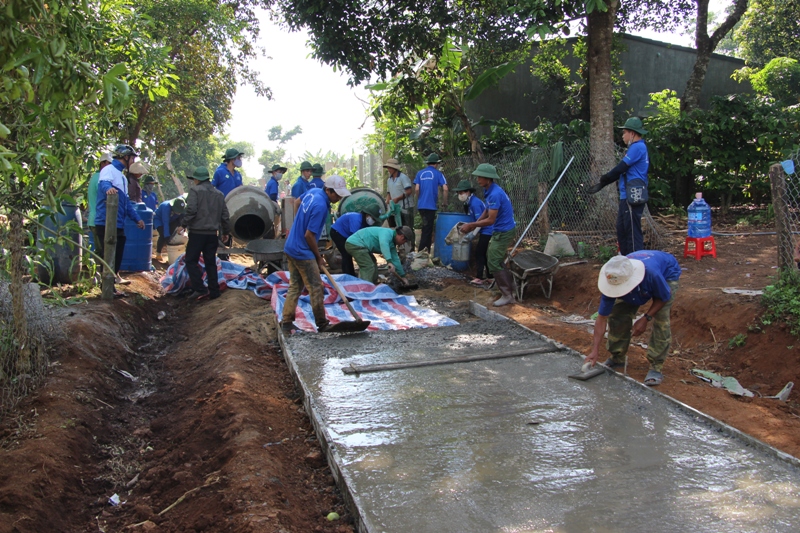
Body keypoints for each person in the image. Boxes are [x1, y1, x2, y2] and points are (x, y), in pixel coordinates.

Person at [584, 251, 681, 386]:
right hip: (636, 277)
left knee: (661, 320)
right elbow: (602, 318)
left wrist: (646, 318)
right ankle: (617, 357)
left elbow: (664, 297)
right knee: (617, 314)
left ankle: (656, 366)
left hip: (666, 273)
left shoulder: (652, 274)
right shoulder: (613, 277)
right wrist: (595, 350)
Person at [281, 175, 351, 334]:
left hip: (291, 245)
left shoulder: (313, 192)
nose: (339, 198)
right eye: (337, 195)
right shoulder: (320, 206)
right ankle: (322, 324)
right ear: (328, 190)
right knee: (316, 287)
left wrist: (298, 222)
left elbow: (297, 202)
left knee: (295, 285)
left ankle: (286, 322)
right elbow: (309, 235)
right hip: (302, 251)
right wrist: (319, 258)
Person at [587, 116, 650, 255]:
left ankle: (636, 262)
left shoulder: (637, 147)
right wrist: (605, 182)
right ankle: (626, 259)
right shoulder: (636, 147)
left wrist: (606, 178)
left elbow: (621, 167)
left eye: (624, 132)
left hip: (631, 195)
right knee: (622, 229)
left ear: (632, 133)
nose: (623, 136)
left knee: (632, 231)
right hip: (626, 195)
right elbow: (623, 170)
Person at [459, 163, 516, 306]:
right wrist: (476, 223)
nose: (478, 179)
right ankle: (509, 288)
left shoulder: (495, 193)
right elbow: (487, 210)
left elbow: (491, 220)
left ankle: (507, 295)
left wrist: (472, 225)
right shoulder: (489, 190)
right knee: (494, 259)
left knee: (493, 261)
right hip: (500, 230)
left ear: (488, 179)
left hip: (504, 230)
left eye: (480, 177)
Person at [94, 144, 145, 295]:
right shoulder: (108, 170)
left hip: (118, 222)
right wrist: (108, 190)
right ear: (125, 157)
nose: (133, 162)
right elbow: (104, 184)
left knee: (117, 253)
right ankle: (107, 288)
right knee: (108, 254)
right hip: (106, 221)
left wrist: (137, 219)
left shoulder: (122, 177)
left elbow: (127, 203)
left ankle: (110, 286)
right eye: (132, 158)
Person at [182, 167, 231, 300]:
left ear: (197, 179)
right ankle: (214, 291)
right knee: (210, 262)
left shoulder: (195, 191)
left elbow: (191, 210)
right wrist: (226, 232)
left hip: (197, 233)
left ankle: (200, 288)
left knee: (191, 260)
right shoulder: (219, 194)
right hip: (212, 234)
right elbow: (225, 215)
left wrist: (183, 224)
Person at [454, 179, 493, 287]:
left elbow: (480, 221)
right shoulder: (469, 203)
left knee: (479, 253)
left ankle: (480, 277)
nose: (459, 195)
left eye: (461, 192)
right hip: (484, 230)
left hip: (487, 230)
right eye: (458, 193)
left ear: (468, 192)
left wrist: (472, 234)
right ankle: (490, 277)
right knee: (483, 253)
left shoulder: (475, 203)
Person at [346, 226, 412, 285]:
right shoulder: (387, 233)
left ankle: (372, 284)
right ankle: (365, 288)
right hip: (355, 244)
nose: (403, 243)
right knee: (368, 266)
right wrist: (389, 261)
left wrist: (403, 276)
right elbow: (384, 244)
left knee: (373, 263)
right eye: (405, 242)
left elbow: (395, 259)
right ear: (402, 237)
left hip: (362, 247)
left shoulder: (392, 244)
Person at [329, 204, 381, 276]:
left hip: (346, 234)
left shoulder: (364, 222)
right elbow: (355, 239)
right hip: (337, 233)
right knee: (346, 254)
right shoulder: (356, 220)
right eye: (373, 218)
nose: (373, 221)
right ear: (367, 215)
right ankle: (348, 275)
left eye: (375, 220)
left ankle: (351, 274)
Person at [414, 153, 448, 253]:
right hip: (431, 206)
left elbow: (416, 188)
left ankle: (424, 251)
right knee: (427, 230)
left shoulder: (420, 173)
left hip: (421, 206)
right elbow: (445, 189)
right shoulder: (438, 174)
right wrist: (444, 202)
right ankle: (423, 252)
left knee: (426, 228)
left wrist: (420, 198)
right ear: (436, 164)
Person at [384, 158, 415, 248]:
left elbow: (409, 191)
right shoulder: (389, 180)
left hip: (405, 207)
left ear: (394, 168)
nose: (388, 169)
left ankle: (410, 248)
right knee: (397, 229)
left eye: (390, 167)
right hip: (394, 208)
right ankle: (400, 248)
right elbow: (389, 193)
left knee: (408, 228)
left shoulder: (403, 178)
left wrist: (398, 198)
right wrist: (387, 204)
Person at [87, 152, 114, 251]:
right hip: (98, 220)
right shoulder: (100, 178)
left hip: (96, 219)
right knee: (102, 251)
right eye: (109, 164)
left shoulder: (95, 177)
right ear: (103, 163)